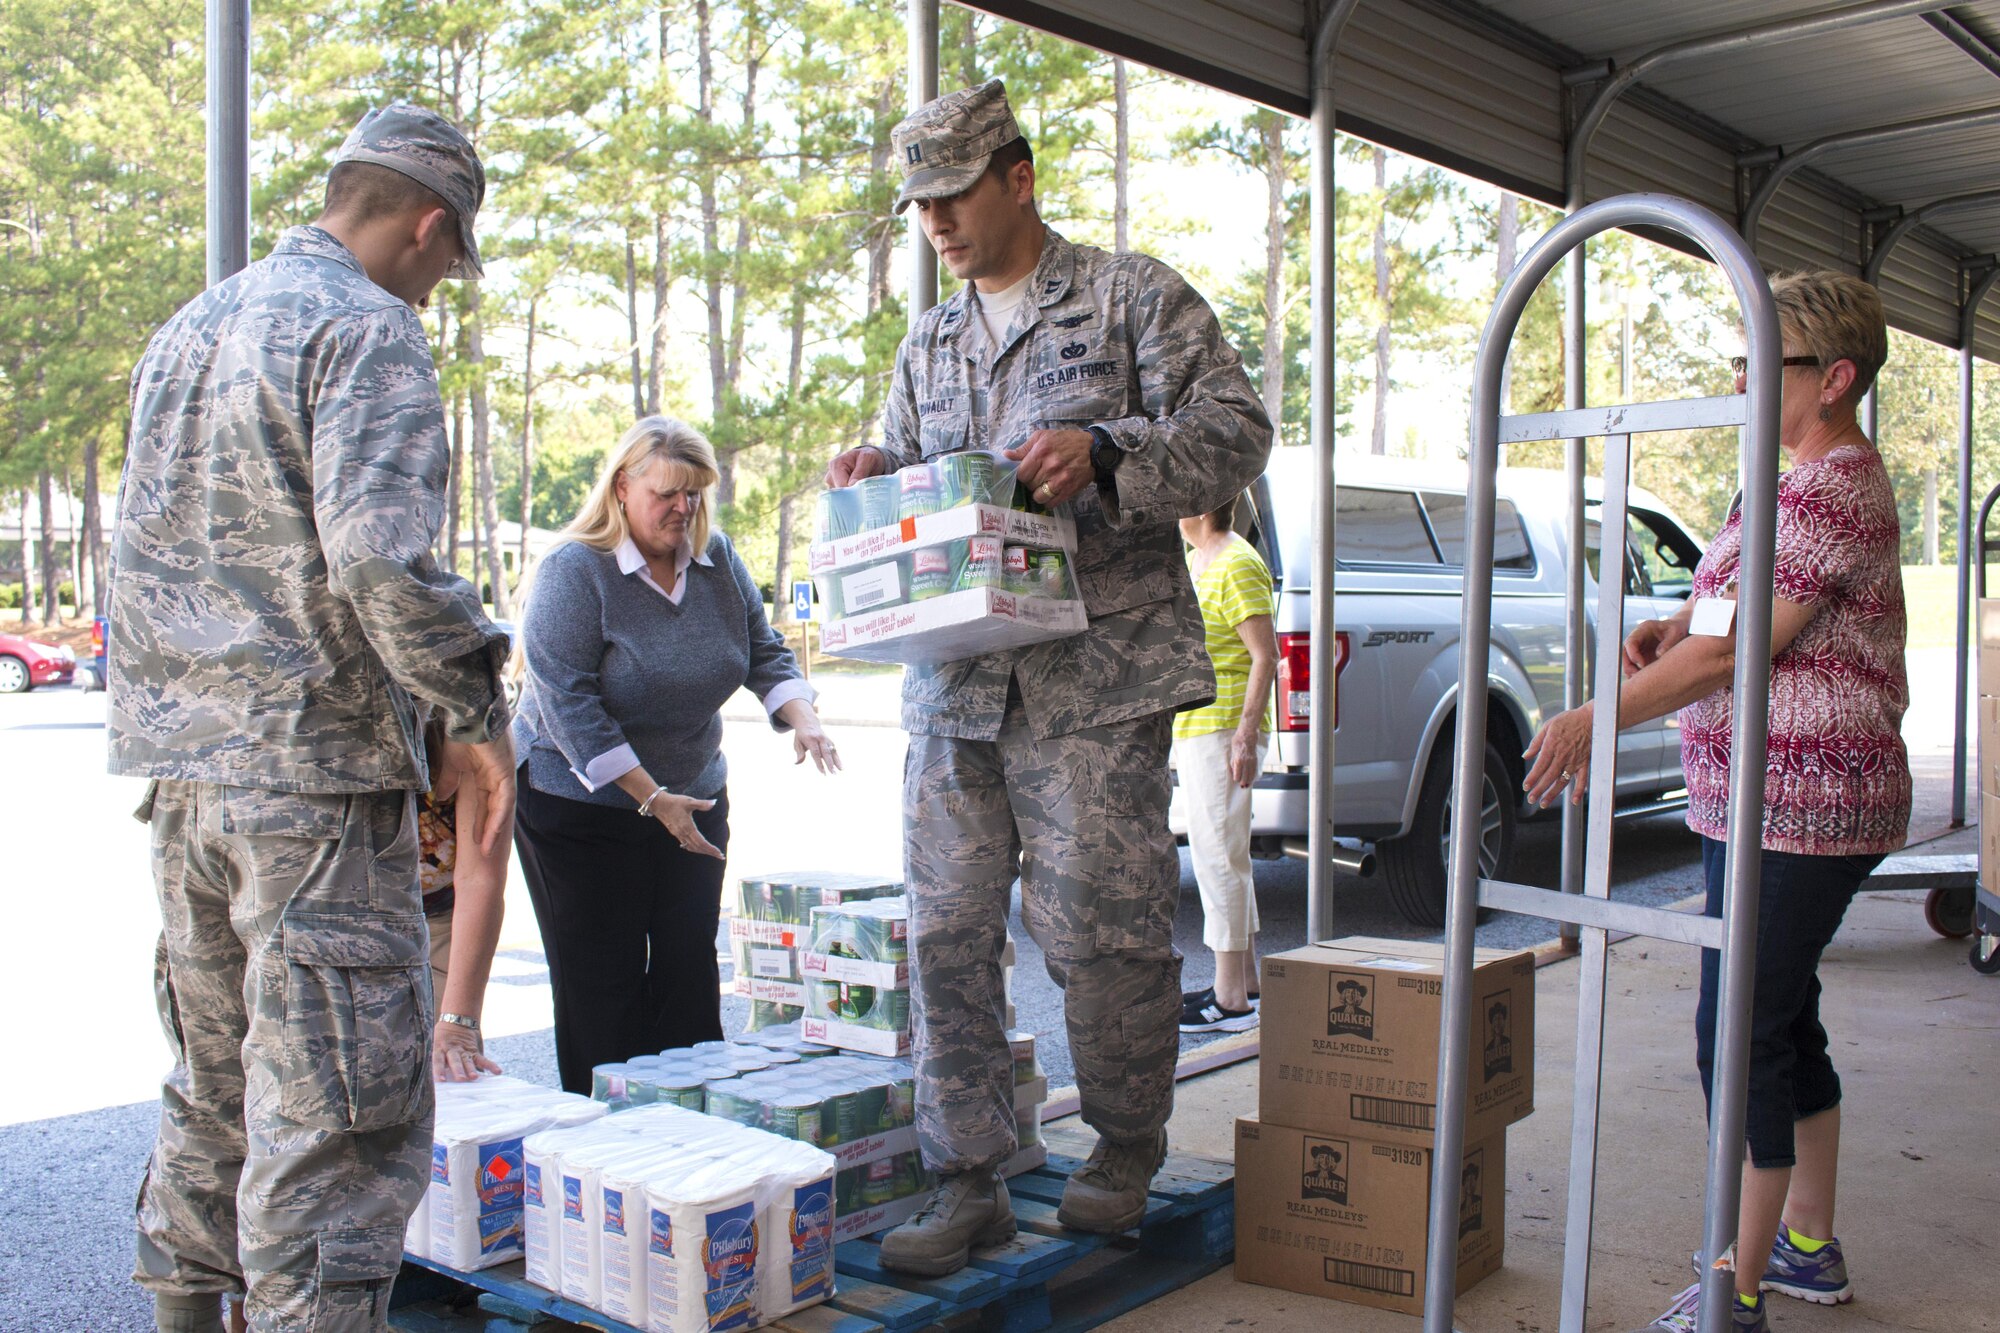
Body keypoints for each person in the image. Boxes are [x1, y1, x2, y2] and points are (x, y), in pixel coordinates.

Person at [824, 80, 1273, 1276]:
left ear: (1017, 178)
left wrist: (1113, 449)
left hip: (1094, 685)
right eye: (917, 206)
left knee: (1104, 931)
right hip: (954, 691)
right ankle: (965, 1173)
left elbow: (1239, 427)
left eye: (953, 195)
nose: (935, 224)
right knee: (945, 933)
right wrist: (875, 465)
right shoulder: (928, 342)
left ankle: (1123, 1146)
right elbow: (916, 479)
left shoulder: (1130, 296)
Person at [111, 103, 513, 1333]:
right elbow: (383, 562)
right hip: (314, 787)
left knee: (217, 1082)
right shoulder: (366, 329)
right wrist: (474, 709)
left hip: (184, 780)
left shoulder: (189, 329)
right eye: (449, 263)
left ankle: (185, 1310)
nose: (441, 290)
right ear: (427, 223)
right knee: (338, 1115)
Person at [1521, 270, 1908, 1333]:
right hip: (1751, 805)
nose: (1736, 379)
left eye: (1757, 362)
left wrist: (1597, 714)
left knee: (1734, 1030)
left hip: (1803, 808)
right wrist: (1666, 626)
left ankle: (1732, 1291)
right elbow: (1721, 612)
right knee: (1780, 1019)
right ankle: (1804, 1246)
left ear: (1830, 379)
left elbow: (1734, 650)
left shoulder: (1832, 488)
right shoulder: (1774, 482)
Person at [512, 416, 838, 1095]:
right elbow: (569, 706)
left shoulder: (715, 559)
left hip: (692, 798)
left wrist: (803, 717)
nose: (682, 509)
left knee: (689, 972)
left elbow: (763, 647)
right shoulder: (575, 571)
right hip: (582, 807)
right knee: (605, 984)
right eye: (667, 493)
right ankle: (606, 1148)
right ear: (622, 487)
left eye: (694, 494)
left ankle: (692, 1134)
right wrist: (650, 799)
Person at [1173, 499, 1277, 1033]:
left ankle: (1230, 999)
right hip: (1198, 728)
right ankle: (1246, 981)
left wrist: (1244, 738)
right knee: (1225, 854)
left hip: (1223, 729)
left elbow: (1266, 655)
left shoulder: (1235, 561)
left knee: (1218, 860)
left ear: (1199, 506)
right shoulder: (1200, 559)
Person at [417, 714, 509, 1083]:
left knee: (452, 1071)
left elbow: (480, 877)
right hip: (328, 920)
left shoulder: (468, 719)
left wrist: (458, 1023)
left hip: (438, 921)